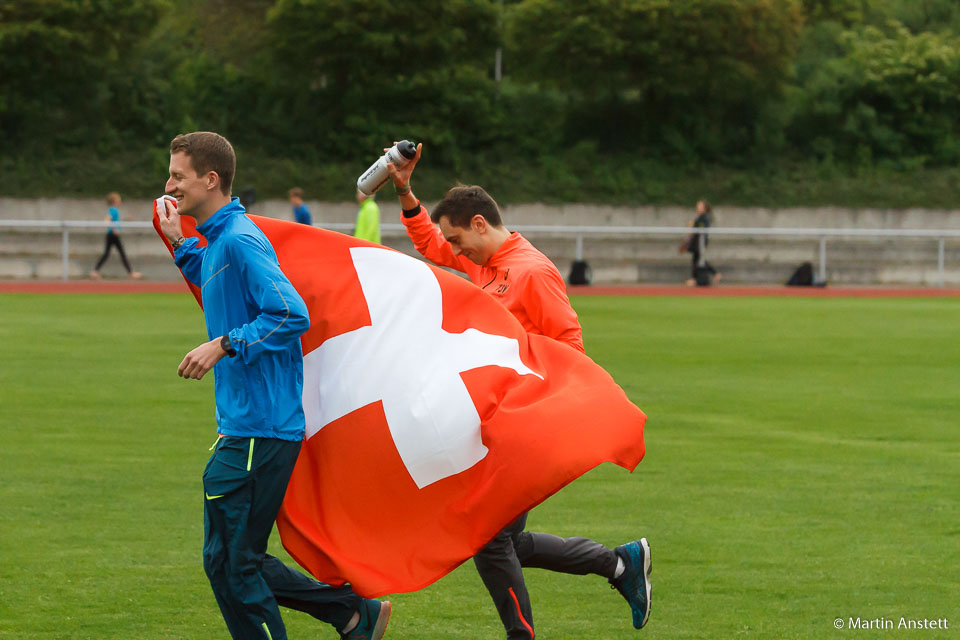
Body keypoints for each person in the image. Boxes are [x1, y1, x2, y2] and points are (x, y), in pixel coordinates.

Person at [386, 143, 651, 638]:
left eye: (460, 240)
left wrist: (546, 414)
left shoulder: (533, 273)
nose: (455, 251)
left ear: (481, 224)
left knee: (487, 540)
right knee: (504, 540)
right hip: (495, 421)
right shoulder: (484, 262)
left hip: (526, 424)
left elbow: (571, 347)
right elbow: (431, 243)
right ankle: (619, 563)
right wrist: (403, 189)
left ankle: (522, 634)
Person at [155, 131, 390, 640]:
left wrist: (223, 345)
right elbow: (214, 278)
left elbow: (289, 313)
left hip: (260, 427)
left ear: (210, 179)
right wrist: (178, 242)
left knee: (234, 566)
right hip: (247, 424)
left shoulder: (238, 238)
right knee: (228, 561)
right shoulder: (218, 240)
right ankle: (353, 615)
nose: (168, 184)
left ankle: (351, 613)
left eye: (177, 174)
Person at [90, 192, 142, 280]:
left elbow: (115, 220)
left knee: (108, 254)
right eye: (118, 199)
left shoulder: (113, 210)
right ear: (114, 201)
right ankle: (131, 273)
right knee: (121, 253)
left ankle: (95, 271)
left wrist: (126, 219)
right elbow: (107, 220)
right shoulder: (113, 210)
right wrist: (114, 229)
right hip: (112, 235)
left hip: (111, 235)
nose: (120, 201)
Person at [680, 199, 720, 287]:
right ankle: (695, 278)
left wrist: (693, 226)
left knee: (699, 259)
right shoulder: (700, 216)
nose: (698, 207)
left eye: (700, 205)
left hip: (700, 242)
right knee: (697, 259)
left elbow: (700, 229)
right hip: (697, 242)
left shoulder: (704, 217)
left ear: (705, 208)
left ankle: (697, 278)